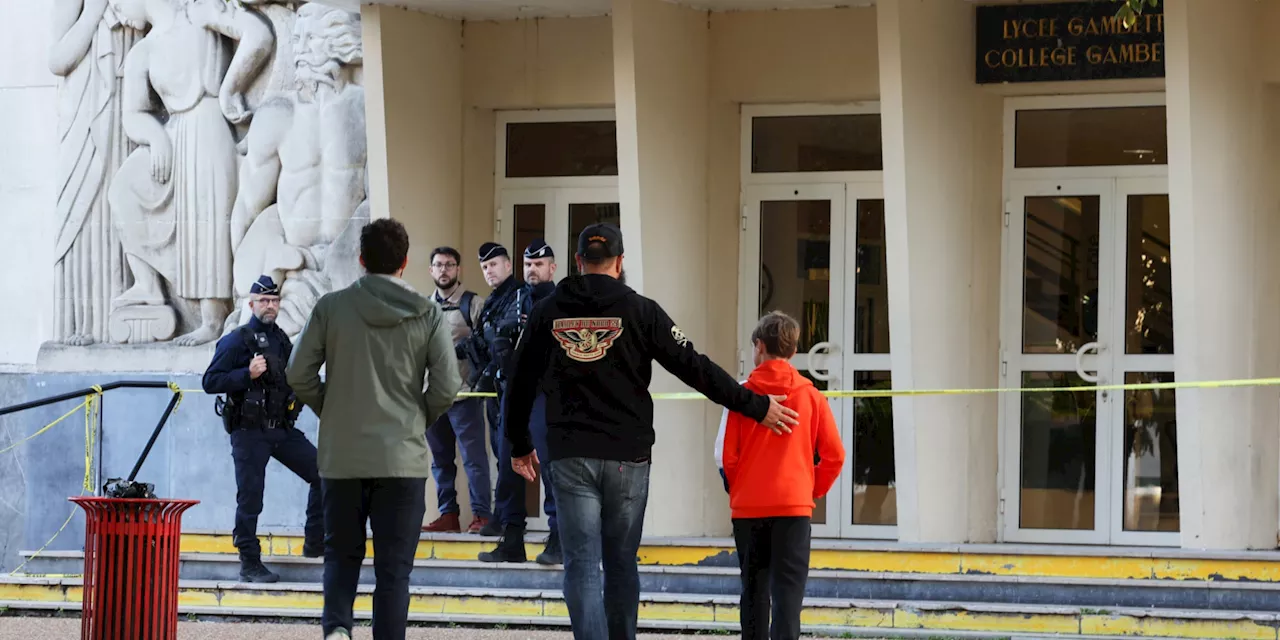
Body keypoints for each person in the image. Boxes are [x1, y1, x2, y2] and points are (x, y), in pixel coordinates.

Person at [502, 223, 801, 640]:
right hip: (629, 456)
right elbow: (695, 367)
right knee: (621, 560)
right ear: (621, 262)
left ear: (576, 262)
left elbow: (517, 381)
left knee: (582, 564)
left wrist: (518, 444)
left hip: (570, 454)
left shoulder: (547, 312)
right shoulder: (640, 310)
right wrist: (756, 406)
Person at [285, 218, 461, 640]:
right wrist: (417, 417)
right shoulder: (428, 312)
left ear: (361, 260)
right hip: (402, 457)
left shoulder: (332, 307)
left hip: (343, 456)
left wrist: (331, 408)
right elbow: (447, 385)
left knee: (340, 556)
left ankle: (338, 629)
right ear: (404, 263)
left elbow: (297, 373)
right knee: (394, 572)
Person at [723, 311, 845, 640]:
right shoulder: (811, 396)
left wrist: (740, 490)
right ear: (792, 352)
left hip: (749, 509)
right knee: (788, 601)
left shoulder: (742, 396)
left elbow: (728, 457)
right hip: (793, 508)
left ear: (759, 346)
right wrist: (810, 489)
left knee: (753, 595)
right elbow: (835, 455)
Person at [202, 275, 321, 584]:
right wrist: (247, 373)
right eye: (264, 301)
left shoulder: (281, 339)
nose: (270, 306)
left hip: (281, 429)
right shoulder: (236, 340)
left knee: (324, 472)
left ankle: (315, 541)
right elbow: (210, 381)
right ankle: (249, 561)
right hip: (249, 432)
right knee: (251, 497)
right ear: (251, 304)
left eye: (274, 301)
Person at [486, 239, 562, 565]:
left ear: (552, 267)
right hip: (513, 393)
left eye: (539, 264)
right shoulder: (513, 298)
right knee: (508, 468)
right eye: (528, 265)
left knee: (551, 469)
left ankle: (558, 539)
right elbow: (490, 335)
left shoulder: (562, 301)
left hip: (546, 395)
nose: (533, 270)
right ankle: (512, 539)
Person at [421, 246, 493, 535]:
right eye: (438, 265)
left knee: (474, 459)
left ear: (458, 270)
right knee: (440, 462)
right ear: (431, 270)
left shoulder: (473, 304)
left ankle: (482, 516)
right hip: (432, 396)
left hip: (465, 395)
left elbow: (486, 346)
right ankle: (448, 515)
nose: (443, 270)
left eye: (449, 265)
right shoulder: (424, 307)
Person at [469, 242, 533, 561]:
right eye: (484, 267)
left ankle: (510, 530)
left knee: (512, 461)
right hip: (497, 390)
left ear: (508, 265)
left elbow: (515, 339)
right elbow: (481, 343)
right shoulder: (493, 301)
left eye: (494, 264)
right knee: (502, 457)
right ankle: (503, 521)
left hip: (517, 390)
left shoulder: (521, 295)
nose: (489, 271)